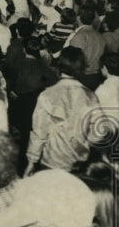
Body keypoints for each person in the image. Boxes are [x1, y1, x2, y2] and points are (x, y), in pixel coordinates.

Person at [24, 46, 100, 174]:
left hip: (53, 161)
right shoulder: (91, 96)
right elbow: (97, 134)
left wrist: (32, 161)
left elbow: (39, 133)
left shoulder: (47, 95)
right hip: (81, 163)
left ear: (59, 66)